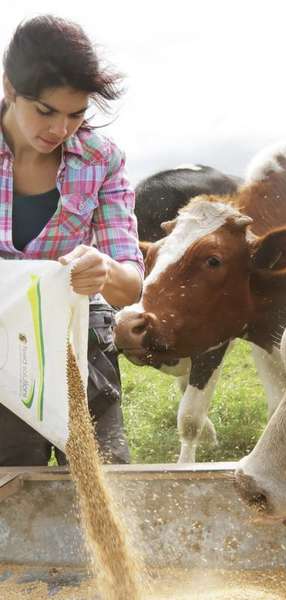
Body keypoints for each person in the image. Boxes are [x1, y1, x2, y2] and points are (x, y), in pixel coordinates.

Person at [0, 15, 144, 465]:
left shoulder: (102, 159)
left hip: (76, 332)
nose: (61, 129)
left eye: (76, 114)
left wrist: (101, 268)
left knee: (102, 473)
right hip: (3, 334)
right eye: (45, 111)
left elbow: (130, 284)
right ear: (9, 88)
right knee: (10, 477)